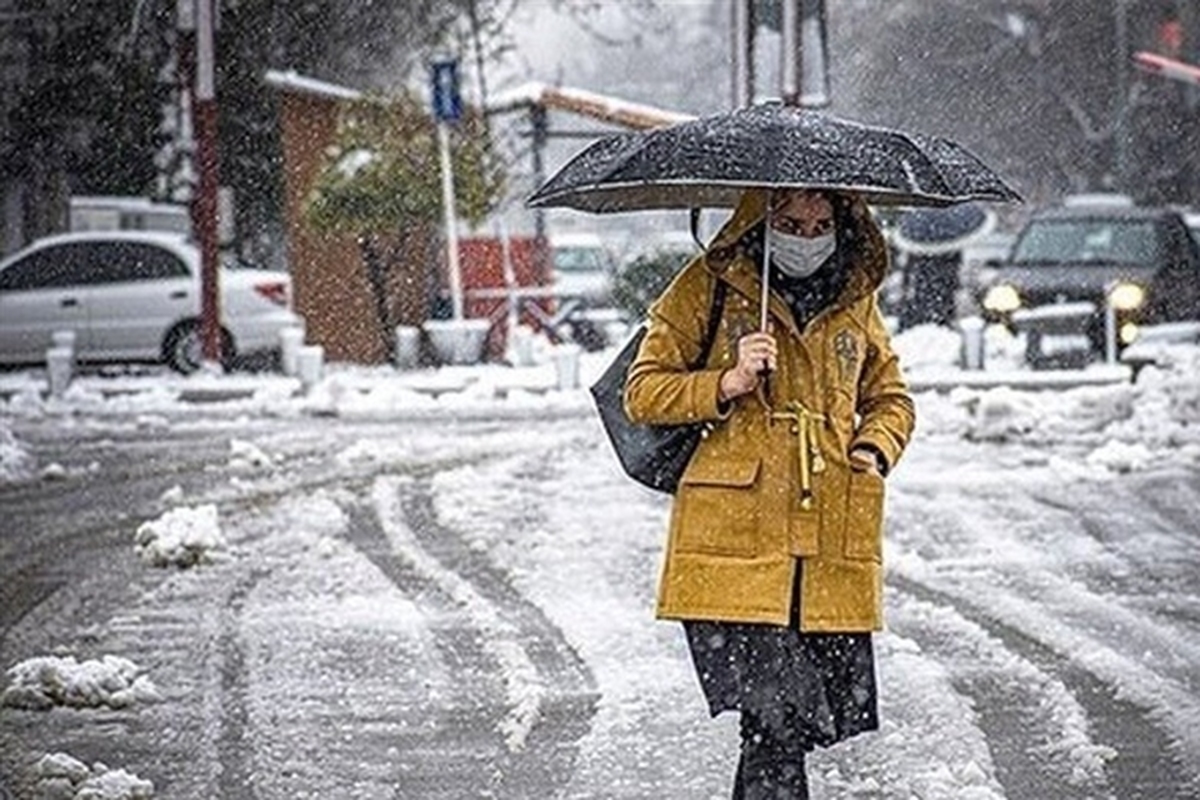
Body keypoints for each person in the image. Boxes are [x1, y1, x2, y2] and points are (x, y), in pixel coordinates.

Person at [624, 187, 915, 799]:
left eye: (819, 225)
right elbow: (643, 393)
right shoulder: (709, 286)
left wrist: (871, 450)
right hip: (734, 546)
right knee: (776, 717)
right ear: (760, 221)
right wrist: (726, 380)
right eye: (788, 222)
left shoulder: (854, 300)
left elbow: (891, 399)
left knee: (786, 725)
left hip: (826, 545)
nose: (805, 238)